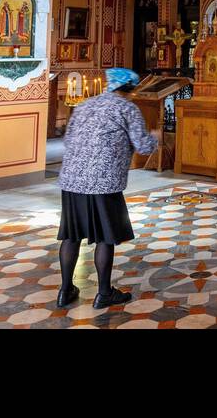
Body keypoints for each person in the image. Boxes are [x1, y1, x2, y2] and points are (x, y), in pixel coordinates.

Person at [56, 67, 157, 309]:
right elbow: (143, 146)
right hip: (104, 181)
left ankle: (65, 290)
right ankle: (104, 293)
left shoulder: (85, 105)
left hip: (72, 180)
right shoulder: (127, 108)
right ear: (130, 89)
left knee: (71, 235)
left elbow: (68, 140)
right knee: (105, 237)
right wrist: (157, 137)